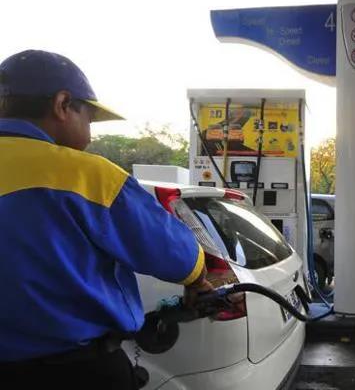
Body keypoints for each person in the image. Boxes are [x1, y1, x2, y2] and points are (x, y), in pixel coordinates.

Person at [0, 50, 212, 389]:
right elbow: (177, 255)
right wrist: (198, 281)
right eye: (89, 118)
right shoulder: (85, 174)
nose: (89, 134)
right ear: (62, 104)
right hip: (79, 373)